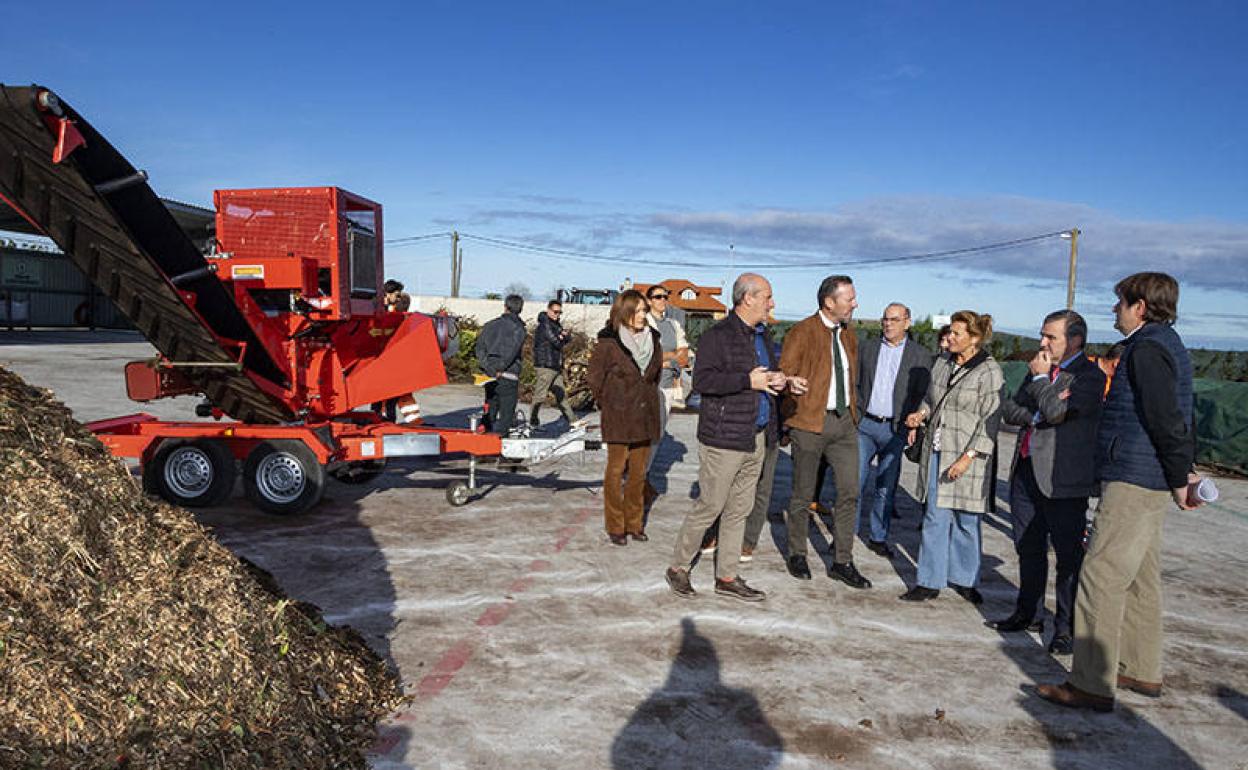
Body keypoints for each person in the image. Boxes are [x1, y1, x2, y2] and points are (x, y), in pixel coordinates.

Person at [1038, 272, 1201, 712]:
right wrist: (1178, 473)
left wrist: (1180, 477)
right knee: (1141, 578)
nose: (1115, 310)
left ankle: (1090, 682)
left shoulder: (1146, 349)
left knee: (1101, 576)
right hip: (1147, 474)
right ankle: (1138, 667)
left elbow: (1166, 418)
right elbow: (1179, 415)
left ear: (1141, 307)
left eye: (1120, 303)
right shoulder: (1167, 344)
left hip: (1134, 475)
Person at [665, 273, 800, 602]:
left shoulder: (762, 336)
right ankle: (678, 567)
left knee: (740, 509)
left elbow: (761, 377)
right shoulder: (718, 336)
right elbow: (704, 381)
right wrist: (746, 381)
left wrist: (782, 380)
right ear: (748, 298)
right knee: (710, 505)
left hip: (755, 435)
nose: (772, 303)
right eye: (767, 296)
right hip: (723, 437)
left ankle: (726, 576)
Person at [989, 310, 1105, 656]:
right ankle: (1029, 613)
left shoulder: (1088, 376)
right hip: (1026, 472)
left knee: (1068, 557)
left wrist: (1041, 388)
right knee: (1028, 546)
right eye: (1042, 335)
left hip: (1062, 479)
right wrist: (1042, 406)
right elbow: (1011, 411)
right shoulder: (1040, 369)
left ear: (1075, 340)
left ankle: (1066, 628)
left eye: (1050, 337)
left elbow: (1057, 413)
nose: (1042, 343)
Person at [901, 310, 1003, 603]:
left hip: (969, 455)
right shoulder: (943, 363)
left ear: (974, 339)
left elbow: (990, 420)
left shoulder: (989, 372)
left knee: (966, 519)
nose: (950, 338)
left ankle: (965, 578)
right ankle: (929, 580)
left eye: (957, 334)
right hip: (938, 450)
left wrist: (967, 457)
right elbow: (931, 400)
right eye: (950, 332)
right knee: (935, 515)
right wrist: (920, 415)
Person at [777, 275, 870, 588]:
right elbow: (784, 372)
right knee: (803, 494)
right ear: (830, 302)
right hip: (809, 423)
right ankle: (797, 553)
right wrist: (791, 385)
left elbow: (852, 377)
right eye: (849, 299)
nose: (855, 304)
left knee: (850, 492)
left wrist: (854, 415)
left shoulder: (849, 334)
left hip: (844, 424)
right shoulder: (802, 331)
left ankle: (842, 561)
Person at [854, 302, 932, 558]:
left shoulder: (920, 356)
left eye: (895, 320)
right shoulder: (866, 349)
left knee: (886, 488)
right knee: (854, 483)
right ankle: (847, 535)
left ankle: (878, 537)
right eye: (885, 319)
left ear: (907, 323)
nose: (888, 324)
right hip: (865, 425)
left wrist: (916, 424)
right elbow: (854, 383)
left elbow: (925, 395)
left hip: (896, 429)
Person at [587, 290, 663, 545]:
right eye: (638, 310)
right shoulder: (608, 343)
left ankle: (635, 524)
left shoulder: (654, 338)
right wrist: (609, 402)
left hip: (644, 415)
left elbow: (655, 376)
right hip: (618, 415)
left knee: (639, 473)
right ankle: (615, 525)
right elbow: (594, 379)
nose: (643, 315)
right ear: (625, 311)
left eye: (645, 310)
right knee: (616, 469)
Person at [644, 284, 691, 498]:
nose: (663, 300)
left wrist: (669, 357)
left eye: (665, 296)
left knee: (658, 434)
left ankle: (641, 476)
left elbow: (684, 353)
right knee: (648, 433)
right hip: (648, 386)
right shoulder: (644, 324)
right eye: (658, 297)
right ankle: (638, 478)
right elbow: (646, 357)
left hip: (669, 385)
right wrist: (670, 357)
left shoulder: (673, 324)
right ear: (649, 301)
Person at [475, 294, 527, 435]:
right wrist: (499, 369)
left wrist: (489, 368)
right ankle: (499, 446)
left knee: (490, 407)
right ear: (521, 309)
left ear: (505, 307)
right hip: (508, 375)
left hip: (489, 376)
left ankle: (483, 438)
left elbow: (479, 349)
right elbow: (511, 352)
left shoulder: (489, 325)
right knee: (506, 415)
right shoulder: (519, 329)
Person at [530, 299, 577, 428]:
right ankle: (532, 421)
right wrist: (561, 337)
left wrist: (563, 336)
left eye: (559, 312)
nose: (558, 315)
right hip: (545, 365)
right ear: (549, 310)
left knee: (561, 394)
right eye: (555, 312)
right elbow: (556, 342)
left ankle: (573, 420)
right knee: (540, 395)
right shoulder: (545, 325)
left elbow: (566, 338)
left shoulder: (555, 325)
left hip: (555, 365)